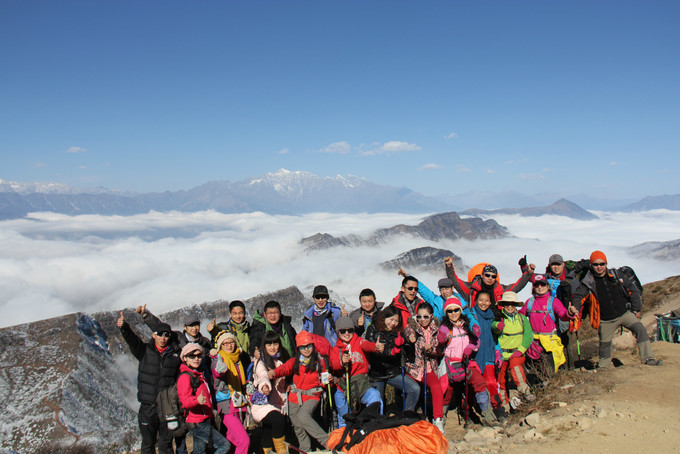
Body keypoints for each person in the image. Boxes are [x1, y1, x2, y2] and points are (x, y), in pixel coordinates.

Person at [572, 250, 663, 368]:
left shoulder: (616, 274)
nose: (599, 267)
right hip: (605, 320)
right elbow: (579, 296)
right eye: (596, 264)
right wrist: (576, 308)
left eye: (602, 264)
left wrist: (636, 309)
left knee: (640, 329)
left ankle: (648, 359)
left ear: (606, 264)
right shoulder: (588, 282)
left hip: (624, 314)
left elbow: (632, 289)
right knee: (605, 345)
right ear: (591, 265)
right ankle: (604, 368)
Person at [116, 311, 183, 454]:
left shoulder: (176, 356)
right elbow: (132, 341)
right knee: (148, 444)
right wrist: (124, 327)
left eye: (166, 335)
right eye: (160, 334)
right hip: (148, 406)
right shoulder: (145, 351)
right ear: (153, 335)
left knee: (166, 444)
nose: (163, 338)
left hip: (168, 407)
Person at [268, 331, 331, 452]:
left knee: (303, 416)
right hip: (295, 395)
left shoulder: (319, 361)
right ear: (298, 348)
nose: (306, 349)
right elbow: (285, 368)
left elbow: (324, 380)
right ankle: (305, 449)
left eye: (309, 346)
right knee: (297, 425)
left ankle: (328, 442)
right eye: (303, 347)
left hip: (312, 395)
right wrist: (274, 373)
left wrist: (329, 380)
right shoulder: (295, 361)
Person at [330, 317, 385, 428]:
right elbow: (334, 365)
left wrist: (375, 347)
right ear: (338, 332)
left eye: (350, 330)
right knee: (344, 416)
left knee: (375, 396)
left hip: (361, 384)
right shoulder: (336, 349)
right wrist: (341, 362)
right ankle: (344, 439)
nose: (347, 333)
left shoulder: (359, 341)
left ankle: (375, 426)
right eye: (342, 331)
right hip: (343, 387)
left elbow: (367, 345)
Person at [365, 305, 420, 412]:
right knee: (378, 404)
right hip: (377, 373)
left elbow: (405, 345)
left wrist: (408, 341)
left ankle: (407, 415)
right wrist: (390, 350)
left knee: (414, 389)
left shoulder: (398, 332)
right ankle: (378, 423)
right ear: (384, 317)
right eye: (391, 319)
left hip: (394, 371)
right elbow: (370, 346)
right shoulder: (373, 329)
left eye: (396, 321)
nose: (393, 323)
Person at [178, 343, 231, 454]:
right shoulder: (185, 377)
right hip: (197, 422)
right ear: (185, 359)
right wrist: (196, 400)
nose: (196, 359)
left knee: (199, 451)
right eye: (192, 356)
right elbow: (185, 401)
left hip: (203, 419)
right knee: (224, 445)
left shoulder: (198, 375)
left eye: (198, 356)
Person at [519, 274, 576, 376]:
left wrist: (570, 314)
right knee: (534, 372)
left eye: (543, 284)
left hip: (550, 343)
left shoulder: (554, 301)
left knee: (550, 371)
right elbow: (520, 317)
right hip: (533, 343)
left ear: (547, 286)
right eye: (537, 285)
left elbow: (563, 314)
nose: (540, 287)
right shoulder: (530, 302)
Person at [403, 302, 445, 433]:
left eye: (426, 317)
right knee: (413, 390)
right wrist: (410, 337)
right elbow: (408, 332)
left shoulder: (437, 330)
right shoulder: (412, 327)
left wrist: (431, 350)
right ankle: (409, 418)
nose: (422, 320)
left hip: (429, 368)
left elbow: (440, 351)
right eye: (419, 317)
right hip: (414, 369)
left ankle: (438, 419)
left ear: (431, 316)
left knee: (436, 387)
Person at [437, 297, 479, 422]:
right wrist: (441, 337)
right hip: (450, 364)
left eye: (456, 310)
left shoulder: (466, 325)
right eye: (450, 311)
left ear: (461, 310)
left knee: (467, 389)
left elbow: (477, 341)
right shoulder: (445, 327)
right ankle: (441, 415)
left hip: (466, 362)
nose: (453, 313)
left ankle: (466, 410)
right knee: (447, 390)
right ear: (446, 313)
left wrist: (471, 347)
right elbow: (440, 341)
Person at [467, 291, 507, 425]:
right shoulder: (471, 314)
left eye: (486, 301)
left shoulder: (493, 316)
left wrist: (498, 352)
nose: (483, 303)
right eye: (480, 300)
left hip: (489, 354)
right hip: (474, 357)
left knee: (490, 382)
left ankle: (497, 408)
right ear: (475, 301)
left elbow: (497, 338)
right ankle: (469, 411)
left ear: (491, 302)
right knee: (474, 385)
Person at [211, 331, 251, 454]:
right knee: (244, 441)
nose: (229, 346)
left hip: (239, 404)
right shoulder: (218, 359)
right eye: (225, 343)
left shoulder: (238, 360)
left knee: (232, 441)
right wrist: (220, 369)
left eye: (231, 342)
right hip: (227, 406)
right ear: (220, 346)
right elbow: (217, 372)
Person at [492, 292, 535, 408]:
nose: (510, 306)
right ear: (503, 305)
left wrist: (520, 350)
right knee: (501, 380)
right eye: (507, 304)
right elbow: (494, 328)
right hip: (502, 355)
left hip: (517, 353)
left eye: (512, 304)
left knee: (515, 366)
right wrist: (497, 326)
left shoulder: (522, 319)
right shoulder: (498, 317)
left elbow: (528, 336)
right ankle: (504, 406)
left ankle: (525, 391)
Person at [251, 331, 290, 454]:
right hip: (263, 405)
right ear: (264, 346)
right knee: (278, 420)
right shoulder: (261, 362)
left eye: (275, 343)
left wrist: (288, 386)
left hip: (278, 403)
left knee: (267, 431)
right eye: (269, 344)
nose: (272, 347)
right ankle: (282, 452)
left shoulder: (283, 358)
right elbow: (263, 376)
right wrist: (265, 386)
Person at [444, 256, 535, 307]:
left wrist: (528, 274)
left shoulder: (500, 289)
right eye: (487, 275)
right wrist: (449, 266)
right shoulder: (472, 288)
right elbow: (455, 281)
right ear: (482, 275)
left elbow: (517, 286)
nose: (490, 278)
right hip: (476, 323)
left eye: (493, 276)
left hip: (495, 323)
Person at [543, 254, 579, 369]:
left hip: (567, 314)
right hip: (550, 315)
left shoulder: (571, 279)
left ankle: (570, 368)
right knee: (555, 343)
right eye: (553, 265)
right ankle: (559, 369)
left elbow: (578, 295)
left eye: (558, 264)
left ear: (563, 264)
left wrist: (574, 309)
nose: (556, 267)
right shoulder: (545, 279)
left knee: (567, 341)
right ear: (550, 266)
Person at [398, 268, 463, 321]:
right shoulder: (436, 301)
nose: (444, 292)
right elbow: (424, 291)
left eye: (446, 289)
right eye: (442, 289)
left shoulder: (462, 301)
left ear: (452, 288)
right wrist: (408, 277)